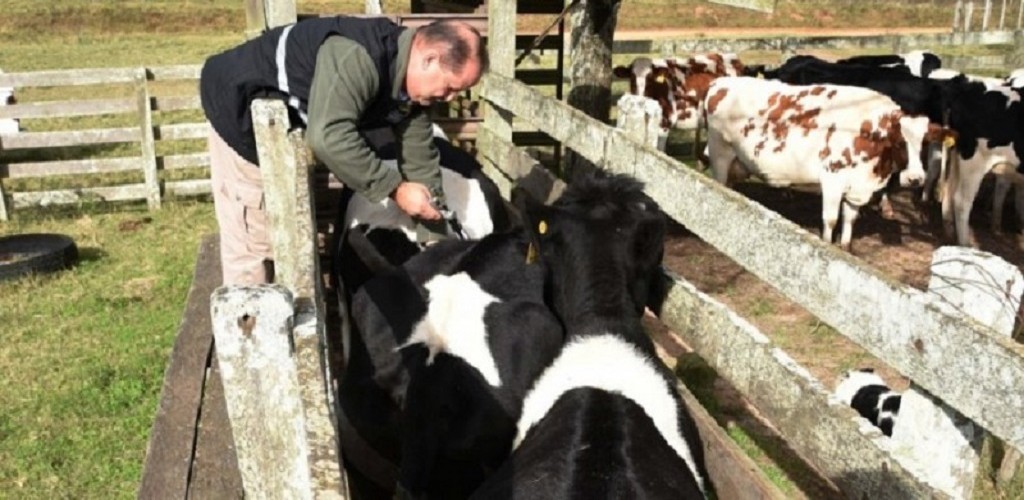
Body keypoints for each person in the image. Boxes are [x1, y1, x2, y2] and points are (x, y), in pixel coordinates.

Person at [200, 17, 487, 285]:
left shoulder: (410, 90)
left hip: (285, 120)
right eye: (450, 87)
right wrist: (396, 189)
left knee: (288, 228)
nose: (448, 98)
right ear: (430, 59)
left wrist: (434, 240)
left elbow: (420, 157)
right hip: (241, 110)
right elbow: (329, 137)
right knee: (257, 239)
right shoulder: (357, 59)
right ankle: (249, 327)